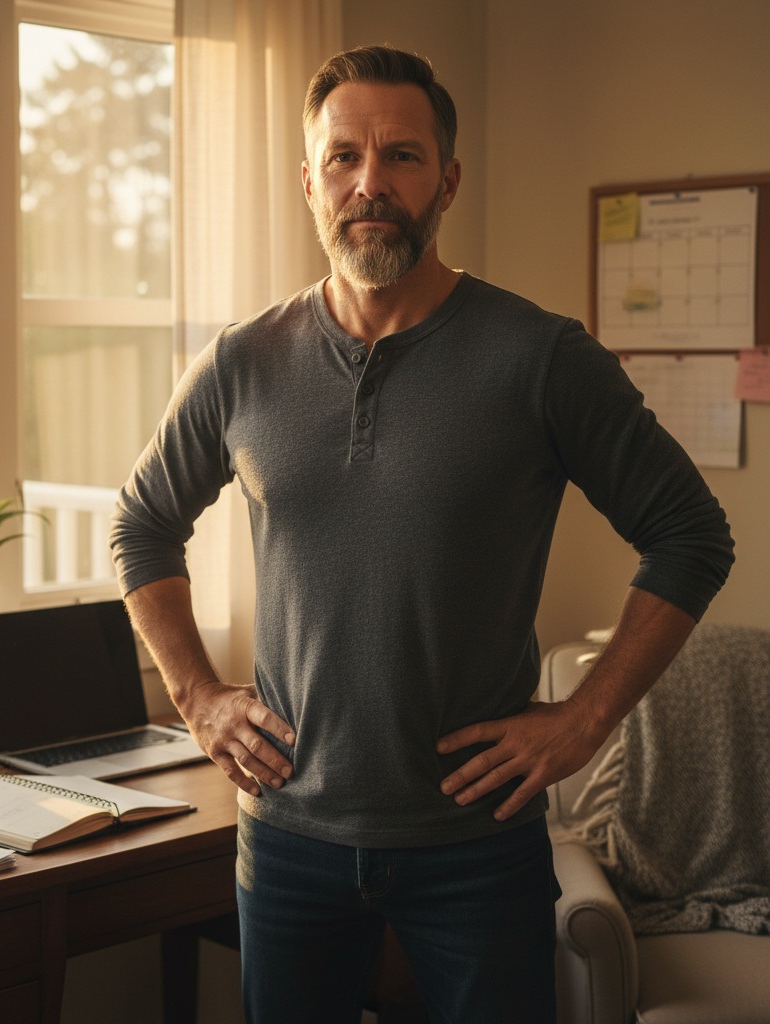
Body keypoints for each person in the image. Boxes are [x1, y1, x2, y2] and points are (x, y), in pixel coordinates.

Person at [109, 45, 734, 1024]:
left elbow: (691, 535)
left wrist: (585, 718)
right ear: (308, 179)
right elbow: (142, 522)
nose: (370, 182)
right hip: (285, 839)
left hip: (476, 843)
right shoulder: (241, 362)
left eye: (400, 156)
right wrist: (196, 695)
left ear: (446, 179)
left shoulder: (540, 358)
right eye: (344, 156)